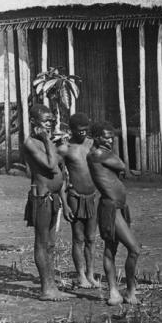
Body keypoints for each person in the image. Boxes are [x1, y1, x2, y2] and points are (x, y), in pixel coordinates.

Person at [22, 104, 73, 301]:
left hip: (53, 198)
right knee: (42, 243)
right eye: (45, 121)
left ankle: (52, 286)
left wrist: (65, 203)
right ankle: (46, 289)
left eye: (51, 120)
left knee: (51, 244)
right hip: (41, 198)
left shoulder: (47, 142)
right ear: (34, 122)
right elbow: (51, 166)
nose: (50, 124)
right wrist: (46, 140)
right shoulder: (31, 143)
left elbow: (59, 168)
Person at [87, 120, 140, 305]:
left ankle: (115, 292)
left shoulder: (103, 152)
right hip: (111, 208)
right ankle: (128, 291)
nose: (110, 141)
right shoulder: (98, 153)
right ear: (96, 137)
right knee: (134, 249)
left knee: (111, 249)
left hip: (118, 207)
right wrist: (110, 151)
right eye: (106, 138)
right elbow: (121, 165)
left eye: (112, 138)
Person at [56, 112, 100, 288]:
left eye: (85, 129)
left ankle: (90, 274)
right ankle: (81, 276)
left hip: (93, 196)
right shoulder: (65, 148)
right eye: (79, 130)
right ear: (71, 129)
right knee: (78, 238)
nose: (82, 133)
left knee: (91, 238)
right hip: (75, 197)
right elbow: (60, 177)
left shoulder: (93, 144)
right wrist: (65, 204)